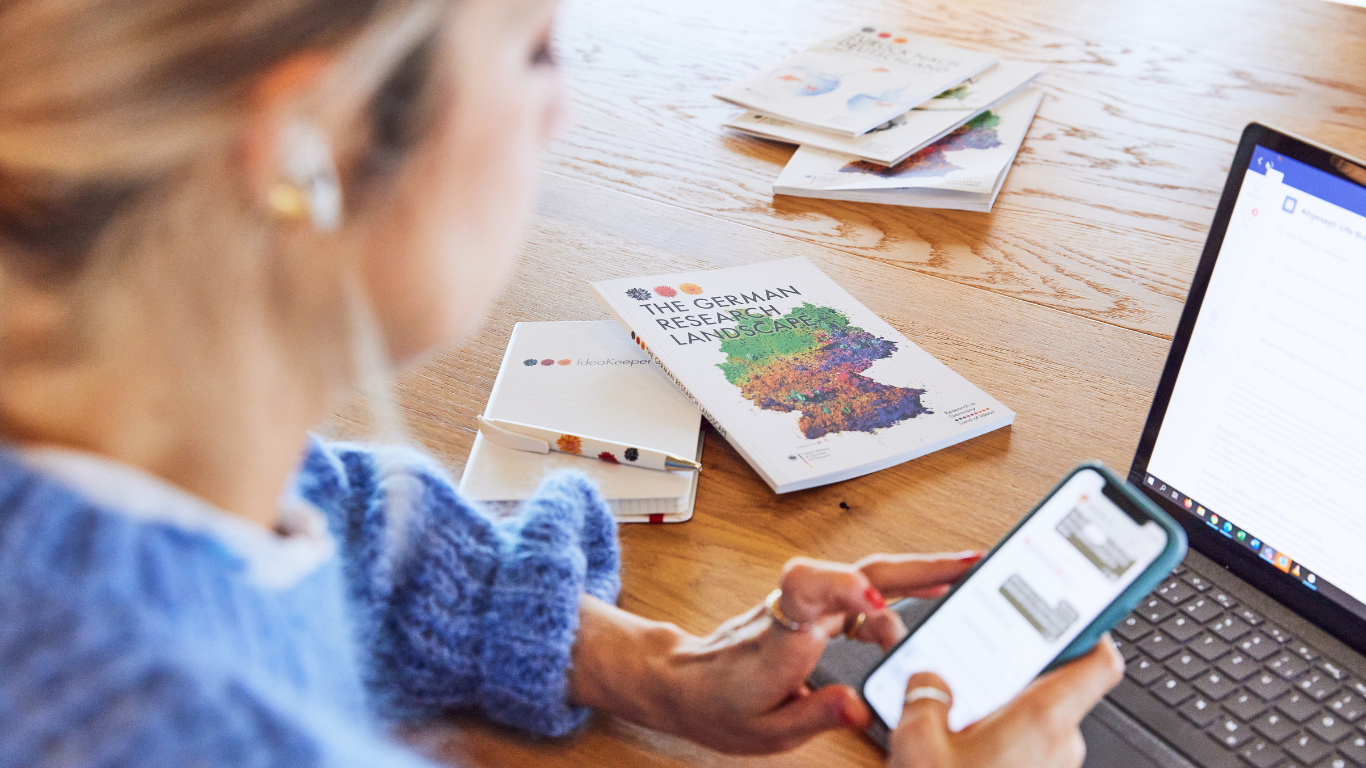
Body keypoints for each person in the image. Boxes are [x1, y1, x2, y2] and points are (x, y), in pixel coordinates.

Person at [0, 0, 1123, 765]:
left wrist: (635, 655)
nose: (563, 110)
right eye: (535, 48)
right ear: (318, 145)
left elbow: (299, 533)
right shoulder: (163, 725)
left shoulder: (120, 448)